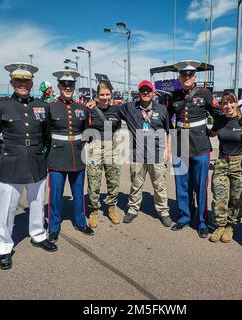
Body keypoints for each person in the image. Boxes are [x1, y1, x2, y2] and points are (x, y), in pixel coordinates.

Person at [0, 63, 57, 270]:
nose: (23, 84)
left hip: (36, 161)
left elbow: (47, 136)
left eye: (26, 81)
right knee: (7, 208)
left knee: (36, 202)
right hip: (11, 163)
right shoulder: (1, 106)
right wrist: (7, 151)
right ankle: (4, 247)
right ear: (12, 82)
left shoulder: (43, 105)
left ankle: (38, 234)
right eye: (19, 81)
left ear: (32, 83)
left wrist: (42, 154)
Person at [87, 80, 172, 227]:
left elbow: (169, 131)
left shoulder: (162, 109)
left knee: (160, 186)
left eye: (148, 90)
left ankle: (163, 212)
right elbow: (106, 105)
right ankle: (133, 209)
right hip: (137, 154)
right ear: (138, 93)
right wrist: (93, 101)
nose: (146, 93)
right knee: (136, 184)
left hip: (157, 154)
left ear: (153, 92)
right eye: (143, 91)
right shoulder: (129, 107)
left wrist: (168, 150)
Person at [168, 60, 220, 238]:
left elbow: (218, 114)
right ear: (179, 77)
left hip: (200, 144)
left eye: (190, 75)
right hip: (180, 143)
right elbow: (167, 117)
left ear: (195, 77)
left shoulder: (205, 93)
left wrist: (213, 131)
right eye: (183, 75)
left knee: (200, 185)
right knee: (182, 184)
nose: (186, 78)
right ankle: (184, 216)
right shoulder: (174, 96)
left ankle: (202, 220)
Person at [47, 70, 94, 242]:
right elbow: (45, 133)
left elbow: (88, 129)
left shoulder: (82, 108)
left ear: (74, 87)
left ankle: (80, 222)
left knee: (78, 194)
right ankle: (53, 227)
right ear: (58, 86)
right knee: (55, 195)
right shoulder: (50, 107)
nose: (68, 88)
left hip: (77, 157)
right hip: (57, 158)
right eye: (64, 85)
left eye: (71, 85)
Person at [208, 92, 242, 243]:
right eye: (224, 103)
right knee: (219, 195)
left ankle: (230, 226)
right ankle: (220, 225)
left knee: (237, 197)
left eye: (231, 102)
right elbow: (212, 133)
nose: (228, 106)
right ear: (221, 106)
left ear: (236, 103)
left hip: (240, 163)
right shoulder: (219, 120)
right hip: (222, 162)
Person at [86, 82, 122, 228]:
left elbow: (118, 127)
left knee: (113, 181)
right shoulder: (90, 110)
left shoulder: (117, 110)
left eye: (107, 94)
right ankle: (94, 210)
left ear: (111, 95)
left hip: (112, 148)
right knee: (93, 182)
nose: (105, 97)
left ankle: (111, 208)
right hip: (95, 147)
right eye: (102, 94)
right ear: (97, 96)